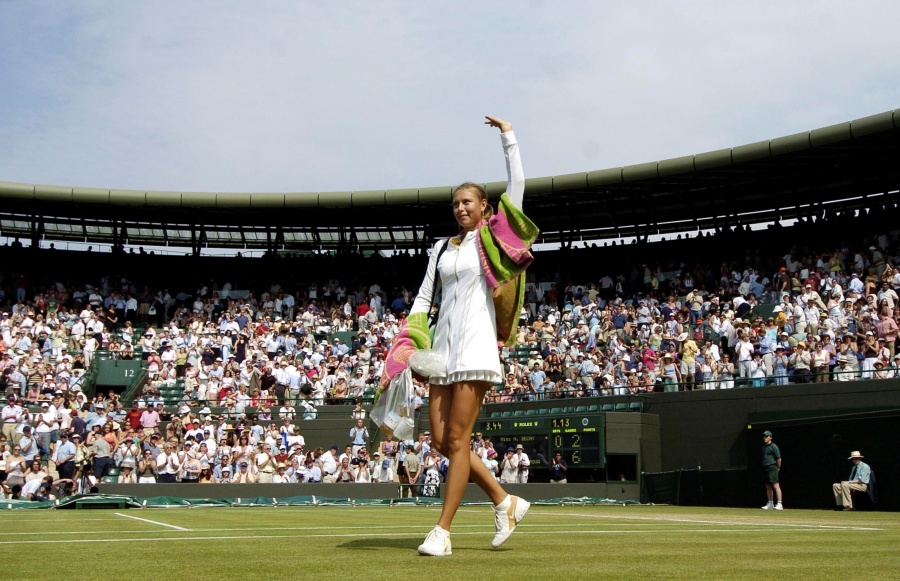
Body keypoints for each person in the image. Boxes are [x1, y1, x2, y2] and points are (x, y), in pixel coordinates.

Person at [380, 116, 537, 557]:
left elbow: (519, 185)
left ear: (485, 206)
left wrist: (509, 137)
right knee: (441, 442)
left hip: (476, 348)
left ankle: (442, 531)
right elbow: (424, 297)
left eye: (468, 202)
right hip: (441, 354)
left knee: (460, 440)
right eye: (455, 204)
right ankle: (505, 501)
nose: (460, 208)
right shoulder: (441, 249)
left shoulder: (493, 238)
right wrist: (408, 341)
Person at [761, 430, 783, 510]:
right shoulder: (764, 447)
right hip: (766, 467)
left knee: (775, 485)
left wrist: (778, 468)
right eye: (764, 436)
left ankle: (779, 504)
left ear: (770, 437)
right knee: (767, 486)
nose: (765, 438)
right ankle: (770, 503)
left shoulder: (774, 446)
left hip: (772, 467)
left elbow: (779, 459)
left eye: (767, 436)